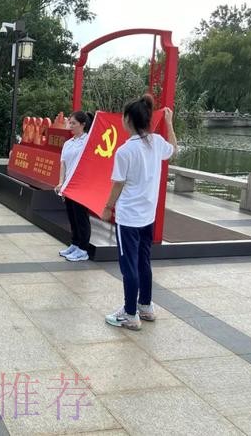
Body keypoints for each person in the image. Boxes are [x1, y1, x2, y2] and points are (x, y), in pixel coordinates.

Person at [102, 94, 177, 331]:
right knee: (144, 261)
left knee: (129, 266)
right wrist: (169, 123)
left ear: (128, 120)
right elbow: (173, 150)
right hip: (147, 216)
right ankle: (145, 306)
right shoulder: (156, 142)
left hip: (129, 218)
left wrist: (107, 207)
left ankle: (130, 314)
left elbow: (118, 184)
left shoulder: (125, 151)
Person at [55, 111, 94, 262]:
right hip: (69, 186)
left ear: (83, 125)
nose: (70, 126)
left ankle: (83, 249)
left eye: (74, 123)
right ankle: (75, 243)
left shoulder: (88, 141)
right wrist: (61, 183)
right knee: (72, 216)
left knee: (81, 217)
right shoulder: (68, 143)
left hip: (81, 186)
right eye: (69, 122)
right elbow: (63, 164)